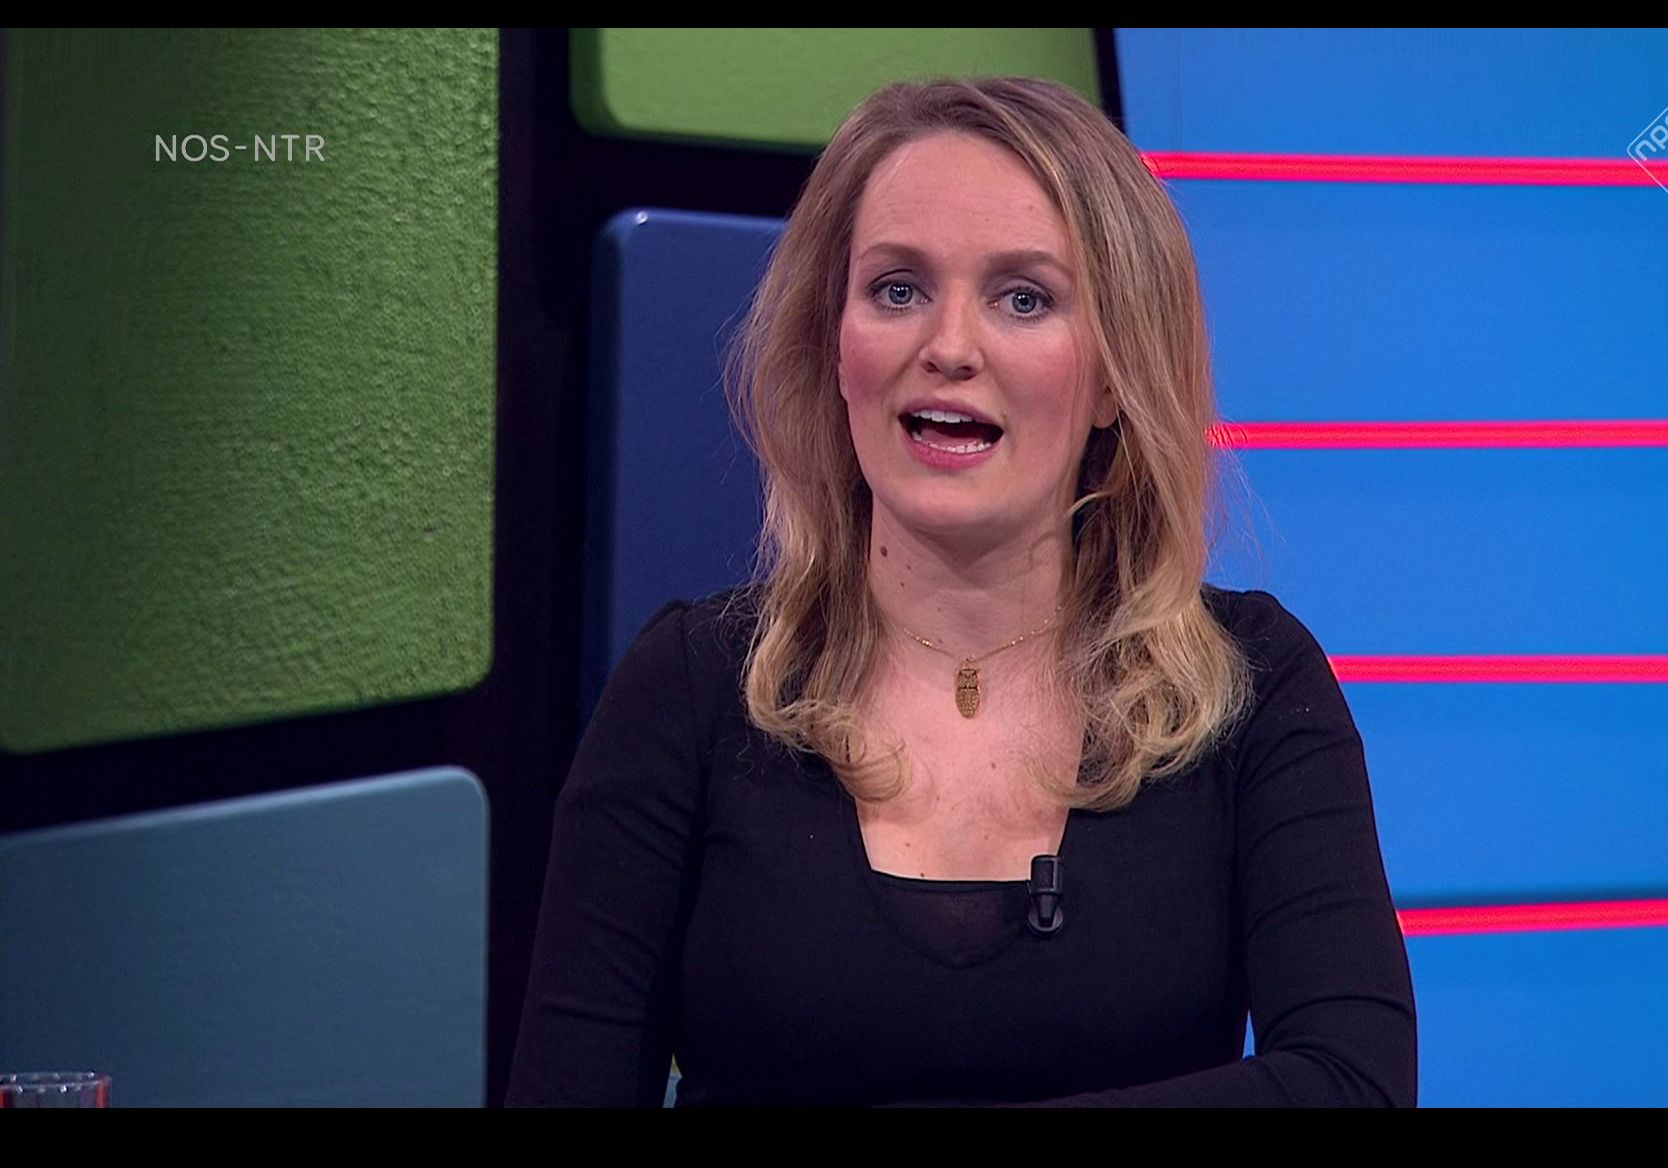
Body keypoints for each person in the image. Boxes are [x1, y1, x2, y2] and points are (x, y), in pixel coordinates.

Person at [506, 75, 1416, 1107]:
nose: (947, 348)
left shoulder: (1252, 687)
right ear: (834, 345)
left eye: (1023, 298)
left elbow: (1353, 1083)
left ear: (1114, 374)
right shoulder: (691, 687)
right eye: (898, 289)